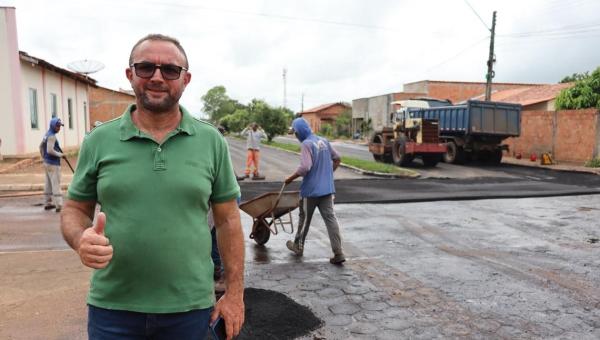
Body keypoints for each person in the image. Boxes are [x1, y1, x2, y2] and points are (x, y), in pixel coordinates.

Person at [60, 34, 245, 340]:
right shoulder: (99, 141)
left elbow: (228, 220)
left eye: (170, 70)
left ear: (185, 80)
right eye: (146, 67)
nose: (157, 77)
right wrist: (81, 238)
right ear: (130, 74)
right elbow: (74, 209)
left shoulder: (211, 141)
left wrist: (235, 293)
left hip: (191, 309)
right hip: (113, 310)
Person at [284, 117, 346, 265]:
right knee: (331, 219)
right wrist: (328, 174)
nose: (296, 136)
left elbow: (305, 167)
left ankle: (298, 247)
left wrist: (290, 178)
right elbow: (337, 158)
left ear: (300, 132)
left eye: (295, 133)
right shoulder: (324, 141)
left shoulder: (306, 144)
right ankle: (338, 252)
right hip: (327, 190)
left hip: (310, 191)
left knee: (304, 219)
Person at [39, 117, 64, 212]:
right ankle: (59, 205)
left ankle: (47, 203)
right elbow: (50, 150)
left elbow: (41, 146)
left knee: (48, 184)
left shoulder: (47, 134)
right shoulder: (52, 136)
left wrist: (43, 157)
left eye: (60, 126)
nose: (59, 128)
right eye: (58, 126)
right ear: (53, 126)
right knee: (56, 184)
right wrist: (61, 155)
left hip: (47, 163)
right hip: (53, 164)